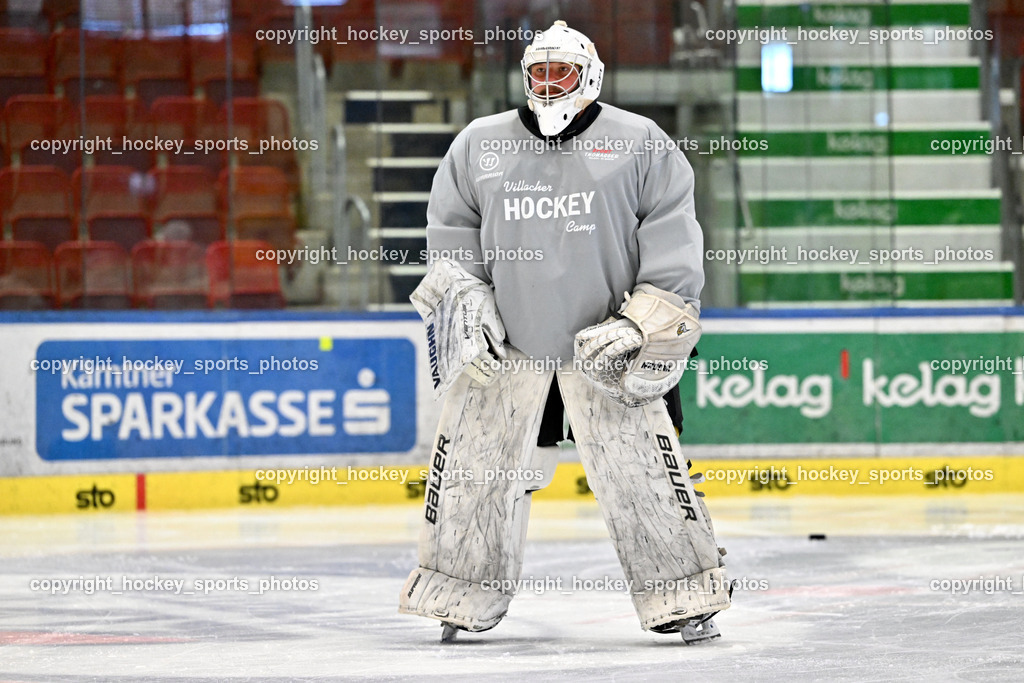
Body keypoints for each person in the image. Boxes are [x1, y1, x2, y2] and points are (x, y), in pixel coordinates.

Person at [399, 20, 730, 644]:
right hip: (508, 352)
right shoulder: (477, 145)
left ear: (591, 76)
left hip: (611, 350)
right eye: (540, 73)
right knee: (475, 476)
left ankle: (683, 595)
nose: (550, 85)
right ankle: (459, 591)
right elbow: (451, 236)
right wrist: (466, 297)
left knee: (646, 478)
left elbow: (674, 248)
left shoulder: (641, 143)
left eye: (563, 72)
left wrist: (642, 323)